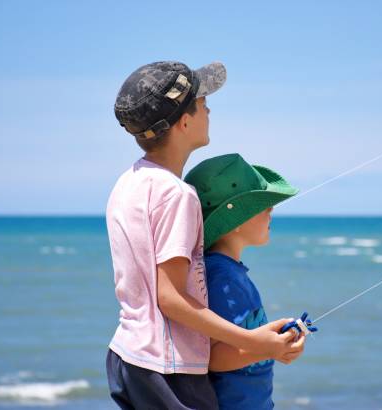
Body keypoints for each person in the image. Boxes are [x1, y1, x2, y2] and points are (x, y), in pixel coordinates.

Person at [105, 62, 302, 409]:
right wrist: (255, 342)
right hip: (169, 368)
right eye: (201, 103)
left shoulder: (128, 183)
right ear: (184, 122)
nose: (208, 108)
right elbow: (171, 298)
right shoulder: (176, 194)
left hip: (129, 356)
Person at [184, 153, 306, 409]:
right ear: (235, 219)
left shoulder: (229, 271)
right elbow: (215, 357)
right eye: (263, 206)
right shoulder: (222, 276)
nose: (270, 211)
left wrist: (278, 340)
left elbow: (242, 339)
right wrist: (269, 349)